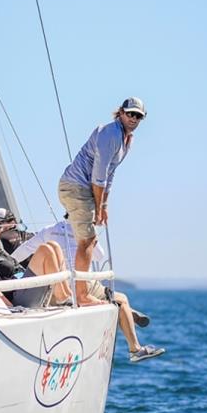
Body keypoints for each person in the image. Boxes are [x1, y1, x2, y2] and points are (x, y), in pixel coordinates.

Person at [13, 218, 164, 362]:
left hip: (60, 284)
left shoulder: (49, 230)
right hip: (84, 283)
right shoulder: (86, 233)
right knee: (122, 299)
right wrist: (93, 239)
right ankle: (135, 348)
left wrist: (6, 267)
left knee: (117, 301)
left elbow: (24, 250)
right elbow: (99, 256)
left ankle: (123, 313)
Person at [58, 97, 146, 305]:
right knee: (87, 241)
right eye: (130, 113)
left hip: (83, 189)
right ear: (121, 113)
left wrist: (104, 206)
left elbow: (110, 174)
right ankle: (81, 295)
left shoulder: (126, 140)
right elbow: (99, 176)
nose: (134, 118)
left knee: (89, 241)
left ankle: (82, 290)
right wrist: (98, 208)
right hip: (76, 186)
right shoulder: (111, 133)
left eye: (138, 116)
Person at [0, 213, 71, 307]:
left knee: (54, 246)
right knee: (45, 250)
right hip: (18, 297)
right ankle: (61, 298)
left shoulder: (0, 251)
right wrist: (12, 309)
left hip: (25, 285)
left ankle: (67, 294)